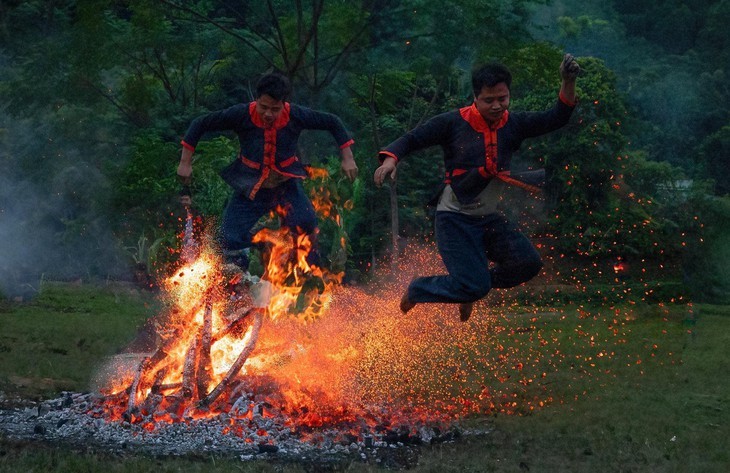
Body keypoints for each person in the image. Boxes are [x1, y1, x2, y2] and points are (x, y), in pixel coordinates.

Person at [373, 54, 580, 321]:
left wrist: (567, 81)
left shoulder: (515, 124)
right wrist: (391, 160)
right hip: (454, 220)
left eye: (502, 99)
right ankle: (418, 288)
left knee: (528, 263)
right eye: (489, 100)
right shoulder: (452, 122)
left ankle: (469, 289)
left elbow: (556, 118)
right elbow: (414, 138)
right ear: (475, 96)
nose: (497, 105)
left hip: (489, 219)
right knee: (474, 284)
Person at [177, 72, 358, 276]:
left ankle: (306, 275)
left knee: (306, 223)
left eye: (275, 109)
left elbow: (332, 122)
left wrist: (348, 158)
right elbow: (200, 123)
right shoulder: (241, 114)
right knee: (227, 237)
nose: (269, 114)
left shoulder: (296, 115)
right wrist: (185, 162)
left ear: (284, 104)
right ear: (256, 100)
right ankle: (245, 268)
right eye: (264, 107)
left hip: (286, 188)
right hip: (250, 190)